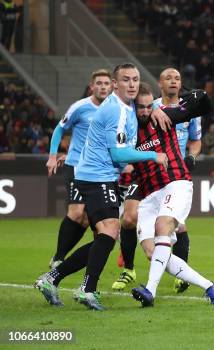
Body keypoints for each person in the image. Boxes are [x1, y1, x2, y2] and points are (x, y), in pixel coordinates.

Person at [35, 63, 171, 310]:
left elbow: (146, 106)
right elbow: (118, 155)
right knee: (110, 230)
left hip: (98, 175)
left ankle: (53, 278)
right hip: (96, 176)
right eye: (126, 80)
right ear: (115, 84)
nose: (131, 84)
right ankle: (86, 289)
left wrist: (158, 110)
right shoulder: (115, 111)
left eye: (135, 79)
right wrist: (153, 155)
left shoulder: (127, 106)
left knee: (103, 238)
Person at [127, 82, 214, 306]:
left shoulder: (164, 116)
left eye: (149, 106)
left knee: (163, 227)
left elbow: (203, 107)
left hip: (175, 182)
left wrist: (200, 95)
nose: (145, 111)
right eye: (140, 107)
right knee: (154, 254)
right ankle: (210, 286)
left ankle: (150, 291)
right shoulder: (126, 127)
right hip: (148, 194)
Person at [112, 68, 201, 294]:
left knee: (177, 225)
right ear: (160, 84)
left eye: (178, 78)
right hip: (146, 171)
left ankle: (181, 275)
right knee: (129, 218)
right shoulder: (149, 107)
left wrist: (191, 156)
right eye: (169, 78)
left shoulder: (187, 112)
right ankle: (129, 269)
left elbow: (196, 140)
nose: (174, 81)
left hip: (173, 174)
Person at [46, 70, 112, 269]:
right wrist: (52, 155)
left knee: (86, 220)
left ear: (111, 86)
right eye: (98, 83)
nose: (102, 86)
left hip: (99, 169)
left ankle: (65, 258)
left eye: (106, 83)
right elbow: (60, 129)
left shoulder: (114, 109)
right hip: (76, 166)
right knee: (76, 212)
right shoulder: (80, 107)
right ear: (92, 86)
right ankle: (58, 257)